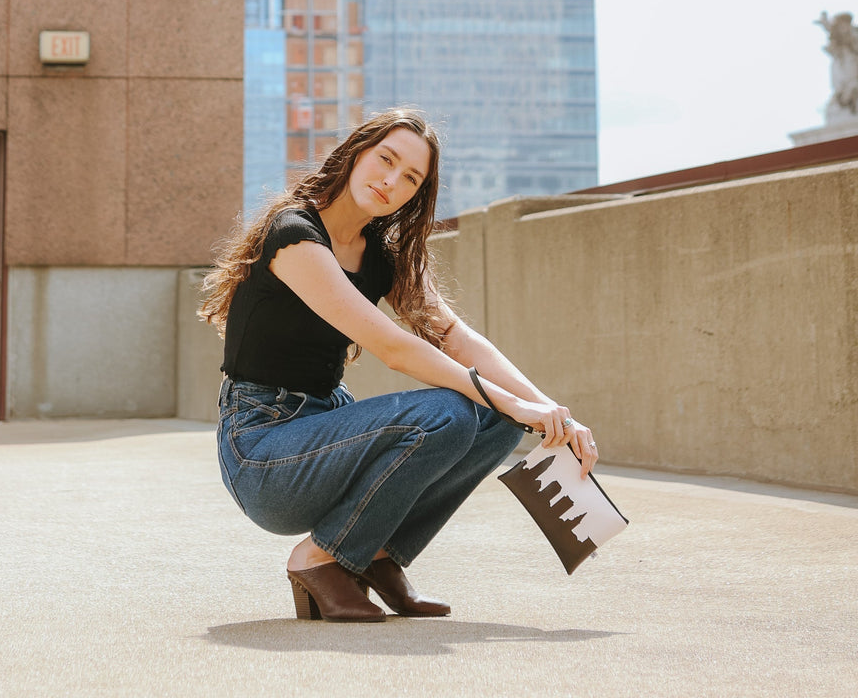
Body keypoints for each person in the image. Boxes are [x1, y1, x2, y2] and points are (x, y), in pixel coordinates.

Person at [200, 109, 598, 622]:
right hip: (262, 451)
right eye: (385, 159)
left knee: (498, 418)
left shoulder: (381, 256)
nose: (392, 181)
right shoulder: (294, 234)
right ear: (354, 153)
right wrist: (510, 398)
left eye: (411, 177)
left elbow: (455, 336)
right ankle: (317, 559)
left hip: (323, 428)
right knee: (449, 411)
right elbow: (394, 347)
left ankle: (375, 556)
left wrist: (549, 411)